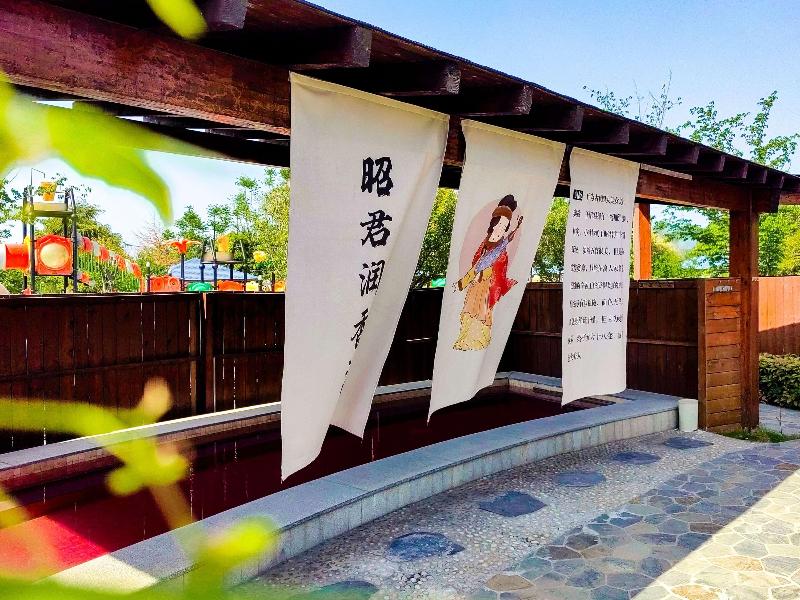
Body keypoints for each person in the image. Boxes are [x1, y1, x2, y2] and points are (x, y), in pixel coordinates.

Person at [452, 194, 523, 351]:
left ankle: (479, 342)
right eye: (499, 224)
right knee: (470, 311)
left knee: (482, 313)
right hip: (475, 285)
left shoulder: (502, 248)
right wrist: (463, 282)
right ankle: (466, 340)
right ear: (493, 223)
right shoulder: (485, 243)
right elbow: (477, 264)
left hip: (487, 286)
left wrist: (485, 274)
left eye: (504, 226)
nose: (500, 229)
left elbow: (499, 268)